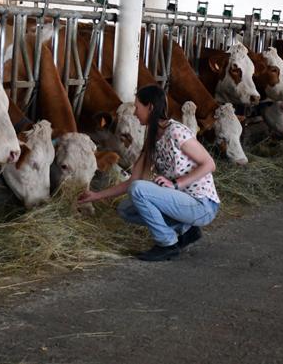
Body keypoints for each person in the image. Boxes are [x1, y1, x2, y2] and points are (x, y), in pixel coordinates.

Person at [78, 85, 221, 261]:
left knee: (139, 190)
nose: (136, 113)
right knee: (126, 209)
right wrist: (96, 196)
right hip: (181, 202)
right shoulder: (152, 138)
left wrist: (176, 184)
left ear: (150, 107)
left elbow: (209, 164)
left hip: (202, 204)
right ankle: (186, 231)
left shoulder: (175, 131)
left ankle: (167, 243)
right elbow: (133, 181)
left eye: (138, 107)